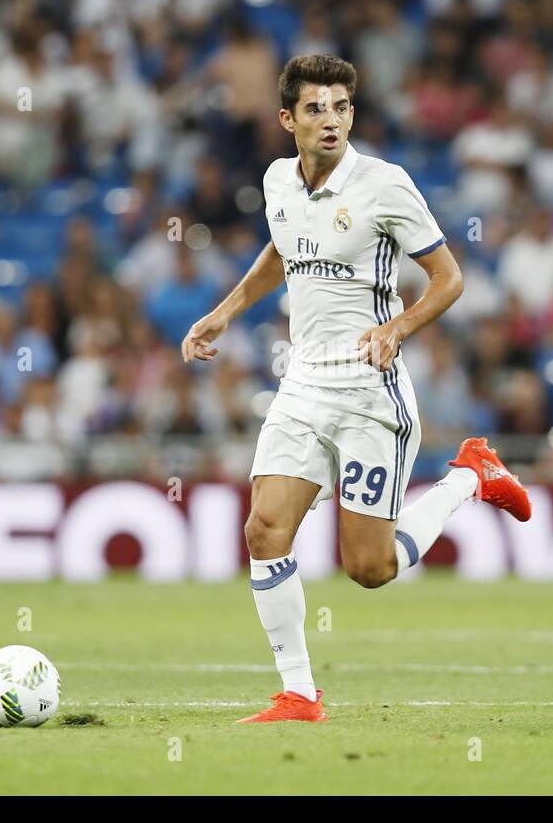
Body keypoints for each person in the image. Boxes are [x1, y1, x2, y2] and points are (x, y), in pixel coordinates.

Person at [181, 55, 531, 723]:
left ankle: (470, 477)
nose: (331, 120)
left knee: (370, 570)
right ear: (287, 119)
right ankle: (299, 694)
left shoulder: (385, 185)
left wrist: (398, 327)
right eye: (316, 108)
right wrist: (224, 311)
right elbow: (283, 252)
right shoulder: (278, 180)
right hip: (303, 383)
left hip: (371, 392)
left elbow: (449, 278)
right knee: (263, 530)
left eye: (341, 106)